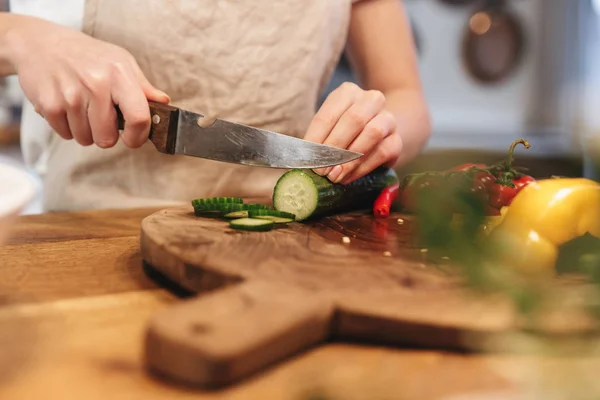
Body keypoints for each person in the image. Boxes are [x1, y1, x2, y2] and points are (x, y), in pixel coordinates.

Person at [0, 0, 430, 211]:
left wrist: (381, 127)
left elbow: (405, 96)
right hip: (84, 240)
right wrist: (21, 37)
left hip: (287, 245)